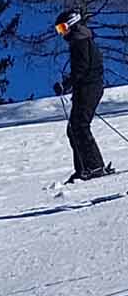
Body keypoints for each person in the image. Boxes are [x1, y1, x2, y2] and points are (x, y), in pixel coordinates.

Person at [54, 10, 110, 182]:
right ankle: (85, 168)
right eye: (59, 30)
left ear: (72, 24)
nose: (62, 33)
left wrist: (66, 84)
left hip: (89, 88)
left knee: (79, 126)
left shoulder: (81, 42)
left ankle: (94, 167)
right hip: (86, 89)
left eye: (62, 28)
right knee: (74, 128)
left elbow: (82, 68)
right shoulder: (81, 41)